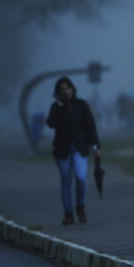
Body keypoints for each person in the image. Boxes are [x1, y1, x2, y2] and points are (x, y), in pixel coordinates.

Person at [46, 76, 101, 225]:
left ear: (72, 89)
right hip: (62, 149)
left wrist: (96, 146)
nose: (66, 92)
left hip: (80, 147)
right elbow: (50, 123)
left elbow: (91, 127)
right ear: (58, 92)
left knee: (80, 177)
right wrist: (58, 107)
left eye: (67, 88)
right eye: (62, 90)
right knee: (66, 180)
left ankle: (80, 207)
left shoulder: (82, 105)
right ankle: (68, 213)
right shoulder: (56, 107)